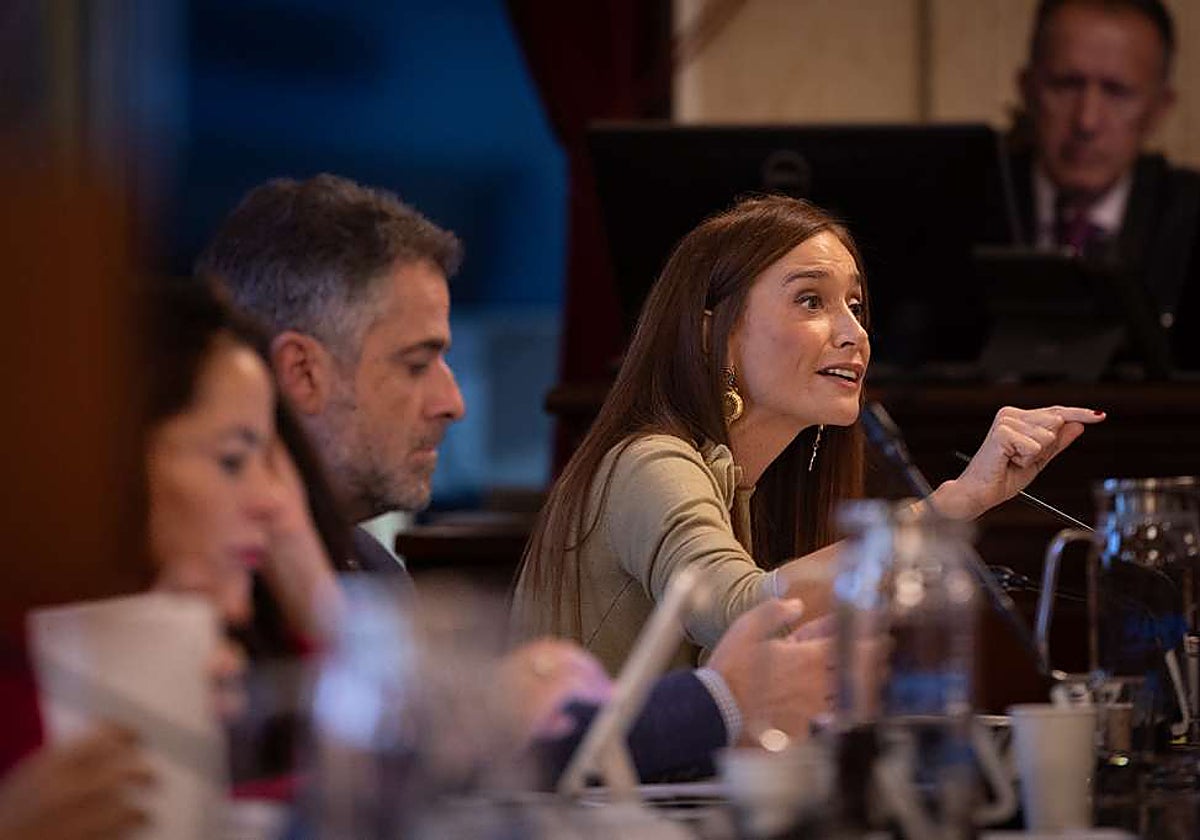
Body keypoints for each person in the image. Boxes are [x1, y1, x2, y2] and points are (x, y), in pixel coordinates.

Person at [198, 174, 835, 779]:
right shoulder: (210, 581)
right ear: (302, 373)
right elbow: (435, 771)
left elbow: (440, 764)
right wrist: (720, 701)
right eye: (417, 363)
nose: (452, 402)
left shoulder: (371, 566)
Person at [513, 194, 1106, 674]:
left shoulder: (751, 493)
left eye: (855, 305)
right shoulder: (651, 462)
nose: (855, 334)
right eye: (810, 301)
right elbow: (735, 613)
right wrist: (955, 502)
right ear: (712, 334)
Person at [987, 0, 1199, 368]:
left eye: (1117, 92)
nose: (1086, 121)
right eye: (1066, 85)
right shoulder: (965, 204)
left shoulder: (1190, 219)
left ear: (1159, 108)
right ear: (1027, 89)